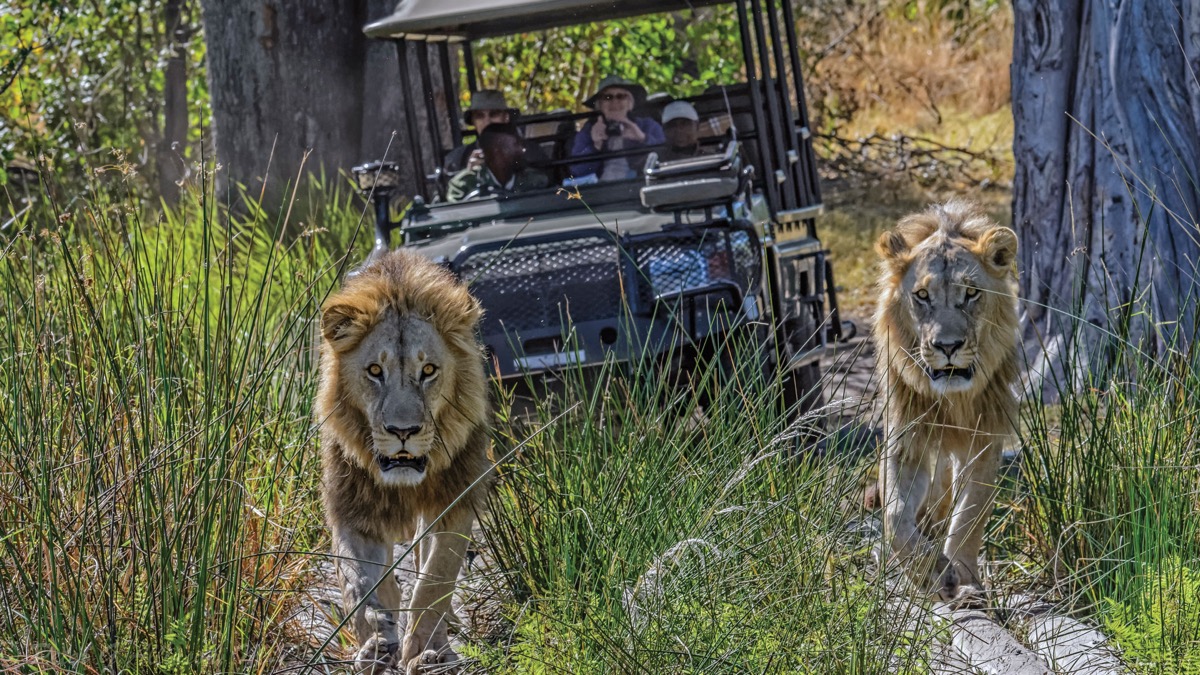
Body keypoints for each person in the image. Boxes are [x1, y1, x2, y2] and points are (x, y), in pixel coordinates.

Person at [568, 75, 665, 181]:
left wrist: (642, 138)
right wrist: (595, 147)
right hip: (600, 191)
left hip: (639, 185)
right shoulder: (589, 130)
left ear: (630, 103)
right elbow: (577, 171)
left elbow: (665, 157)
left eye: (621, 96)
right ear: (600, 105)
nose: (614, 101)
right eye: (608, 97)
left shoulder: (647, 125)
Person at [447, 123, 550, 202]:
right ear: (496, 152)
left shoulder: (536, 180)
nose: (522, 150)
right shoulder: (462, 185)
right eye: (514, 145)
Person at [444, 90, 519, 175]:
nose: (487, 122)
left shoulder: (528, 152)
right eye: (479, 116)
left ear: (506, 117)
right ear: (473, 121)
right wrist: (469, 175)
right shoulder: (457, 159)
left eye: (494, 114)